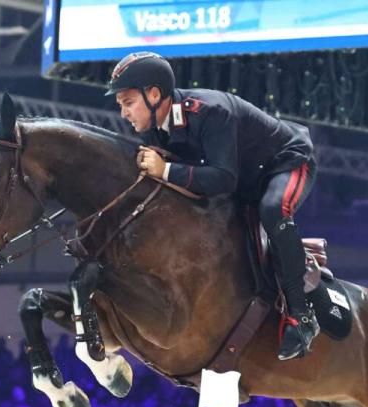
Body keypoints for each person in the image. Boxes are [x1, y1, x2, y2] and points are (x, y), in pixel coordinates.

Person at [105, 51, 319, 360]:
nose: (124, 113)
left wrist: (165, 170)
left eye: (128, 103)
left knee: (272, 209)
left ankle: (301, 316)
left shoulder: (210, 111)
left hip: (286, 162)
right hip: (245, 177)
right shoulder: (152, 127)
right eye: (120, 105)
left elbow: (223, 179)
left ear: (154, 95)